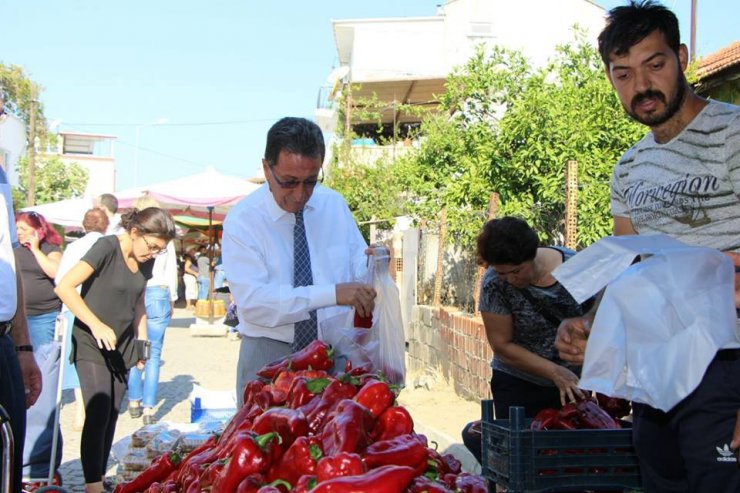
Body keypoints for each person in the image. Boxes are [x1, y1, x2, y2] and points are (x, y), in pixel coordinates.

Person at [554, 2, 740, 491]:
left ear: (681, 57)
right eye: (623, 73)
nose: (641, 86)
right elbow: (625, 264)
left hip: (726, 364)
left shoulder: (733, 135)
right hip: (656, 368)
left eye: (654, 65)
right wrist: (591, 323)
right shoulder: (629, 167)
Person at [222, 116, 376, 406]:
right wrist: (332, 293)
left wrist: (374, 266)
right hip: (268, 355)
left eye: (310, 182)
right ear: (267, 169)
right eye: (289, 182)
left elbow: (357, 269)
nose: (300, 194)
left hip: (331, 355)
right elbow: (255, 303)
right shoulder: (243, 221)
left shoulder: (334, 205)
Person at [55, 207, 176, 493]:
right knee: (97, 408)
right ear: (135, 233)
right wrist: (95, 324)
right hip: (91, 340)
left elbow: (139, 304)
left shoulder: (145, 259)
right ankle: (93, 486)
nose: (154, 254)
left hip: (121, 345)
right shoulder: (106, 247)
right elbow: (65, 287)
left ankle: (96, 476)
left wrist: (142, 345)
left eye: (160, 250)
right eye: (152, 246)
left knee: (111, 413)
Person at [460, 217, 590, 463]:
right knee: (518, 461)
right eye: (502, 273)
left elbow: (601, 320)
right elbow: (502, 345)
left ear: (532, 255)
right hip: (518, 383)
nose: (510, 279)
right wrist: (554, 372)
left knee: (569, 460)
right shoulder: (493, 283)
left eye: (517, 271)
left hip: (574, 384)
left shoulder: (575, 269)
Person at [0, 166, 42, 493]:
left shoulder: (1, 175)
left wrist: (23, 346)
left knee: (7, 464)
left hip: (3, 340)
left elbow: (9, 260)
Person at [55, 208, 109, 431]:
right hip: (99, 310)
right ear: (105, 225)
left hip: (73, 308)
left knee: (77, 359)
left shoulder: (73, 247)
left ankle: (81, 407)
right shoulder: (108, 244)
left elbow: (60, 278)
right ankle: (90, 406)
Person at [126, 197, 178, 425]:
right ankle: (148, 407)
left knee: (134, 350)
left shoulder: (136, 236)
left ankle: (134, 401)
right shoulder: (166, 239)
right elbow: (171, 271)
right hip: (158, 292)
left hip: (139, 291)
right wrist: (173, 298)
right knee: (153, 354)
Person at [14, 211, 63, 348]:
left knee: (43, 358)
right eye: (17, 228)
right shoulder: (15, 251)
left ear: (38, 230)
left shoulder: (50, 249)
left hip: (43, 316)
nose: (19, 232)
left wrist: (35, 249)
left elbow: (54, 272)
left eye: (23, 229)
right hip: (18, 316)